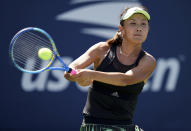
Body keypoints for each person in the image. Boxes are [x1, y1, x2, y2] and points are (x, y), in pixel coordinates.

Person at [64, 6, 156, 131]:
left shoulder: (148, 61)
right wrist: (76, 76)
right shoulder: (101, 49)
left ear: (148, 29)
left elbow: (125, 80)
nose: (139, 28)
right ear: (121, 29)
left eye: (143, 24)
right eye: (133, 23)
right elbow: (71, 69)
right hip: (94, 126)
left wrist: (91, 75)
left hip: (126, 126)